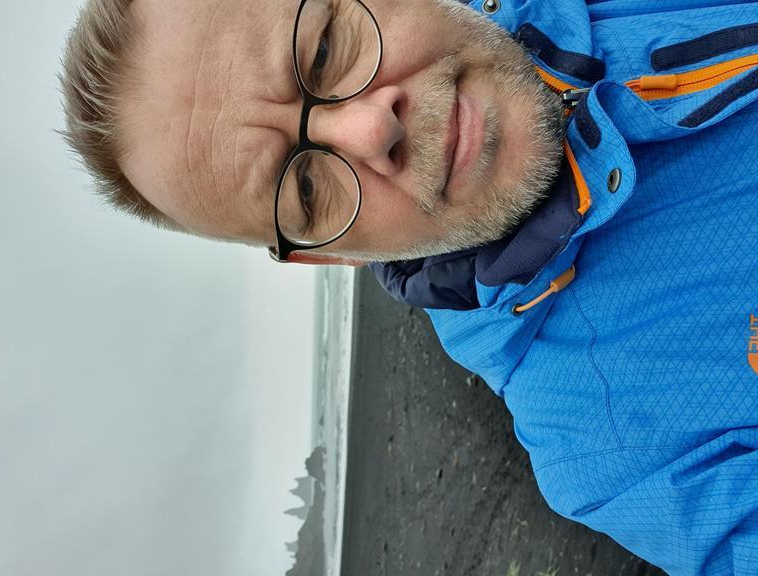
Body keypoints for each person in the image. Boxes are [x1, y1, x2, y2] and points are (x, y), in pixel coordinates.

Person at [60, 0, 758, 574]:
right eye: (307, 189)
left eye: (325, 51)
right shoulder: (625, 455)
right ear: (329, 258)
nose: (371, 128)